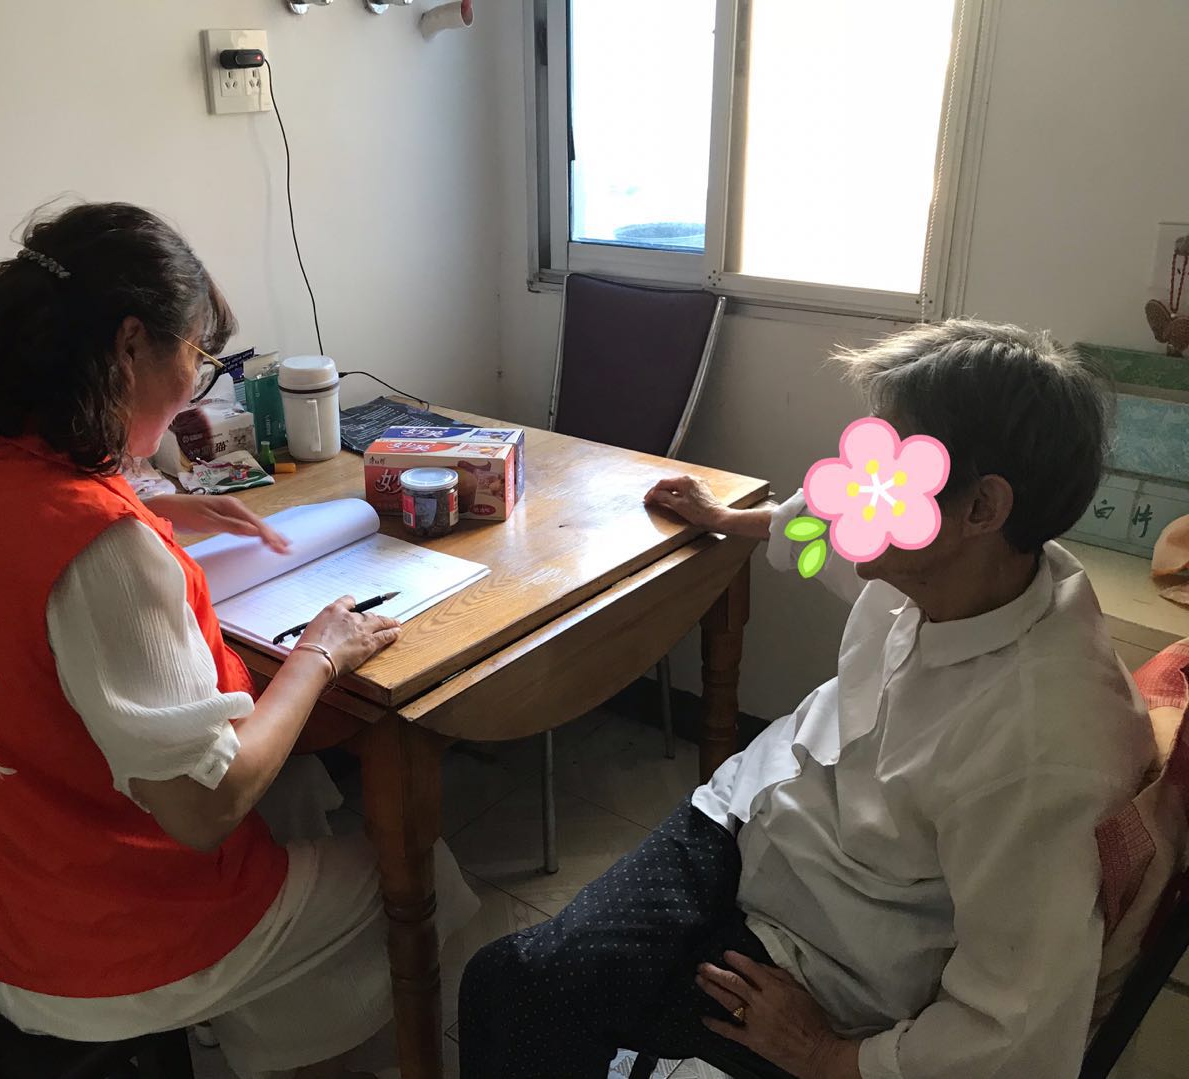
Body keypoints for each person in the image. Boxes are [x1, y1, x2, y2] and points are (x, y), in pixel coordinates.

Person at [458, 320, 1158, 1079]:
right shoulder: (963, 565)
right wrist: (729, 519)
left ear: (982, 507)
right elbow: (821, 526)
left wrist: (829, 1056)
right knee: (513, 979)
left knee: (536, 1006)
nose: (853, 489)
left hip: (824, 944)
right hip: (749, 812)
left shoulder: (1044, 743)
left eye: (888, 470)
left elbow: (1015, 1030)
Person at [0, 201, 476, 1079]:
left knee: (295, 791)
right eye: (196, 357)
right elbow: (206, 807)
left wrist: (154, 506)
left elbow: (14, 543)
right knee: (422, 875)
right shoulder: (101, 551)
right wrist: (319, 652)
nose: (195, 386)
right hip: (92, 951)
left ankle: (259, 1040)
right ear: (129, 346)